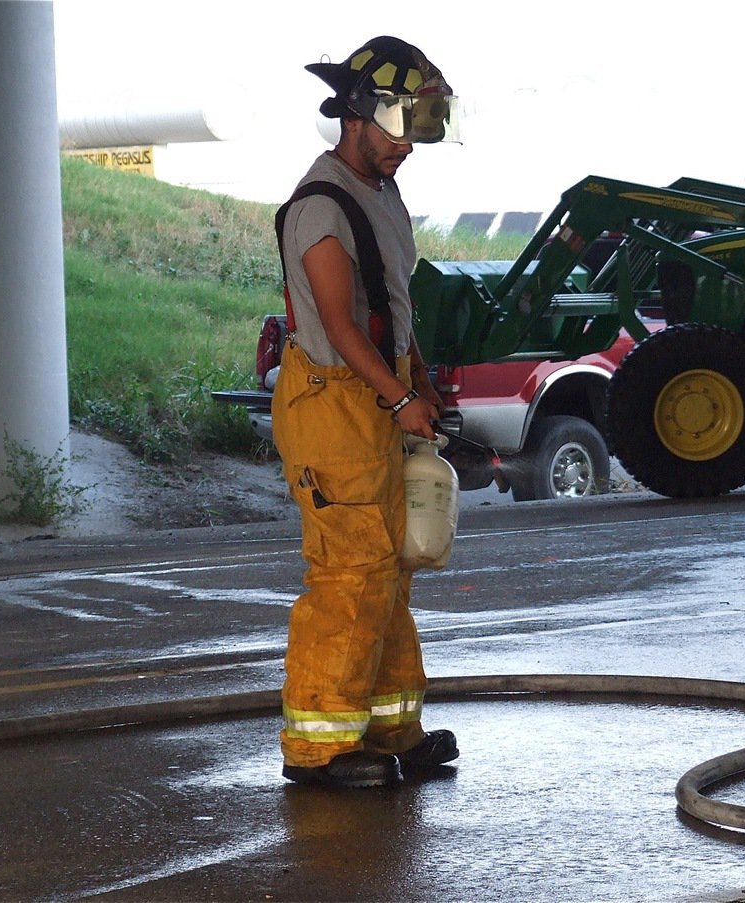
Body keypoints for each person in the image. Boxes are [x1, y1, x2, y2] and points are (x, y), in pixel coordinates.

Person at [270, 35, 461, 788]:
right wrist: (402, 396)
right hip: (333, 407)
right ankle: (318, 748)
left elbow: (387, 311)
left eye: (421, 128)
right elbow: (341, 324)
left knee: (388, 572)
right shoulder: (321, 205)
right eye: (400, 128)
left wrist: (414, 380)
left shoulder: (380, 193)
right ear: (359, 114)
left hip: (373, 400)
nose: (408, 146)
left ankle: (387, 730)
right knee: (349, 575)